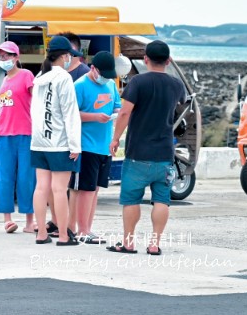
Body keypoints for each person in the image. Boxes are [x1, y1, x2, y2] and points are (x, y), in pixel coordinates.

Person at [109, 40, 187, 255]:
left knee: (131, 199)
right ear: (168, 61)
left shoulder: (137, 82)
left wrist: (115, 138)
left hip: (138, 154)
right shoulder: (176, 85)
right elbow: (181, 108)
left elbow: (124, 113)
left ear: (145, 59)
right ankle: (154, 244)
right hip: (164, 154)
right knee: (162, 199)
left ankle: (128, 242)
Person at [30, 35, 81, 246]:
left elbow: (35, 111)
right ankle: (63, 235)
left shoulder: (39, 76)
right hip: (59, 143)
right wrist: (75, 145)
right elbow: (70, 112)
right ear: (65, 56)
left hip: (38, 142)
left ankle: (41, 232)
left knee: (41, 188)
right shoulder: (64, 78)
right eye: (70, 55)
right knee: (60, 189)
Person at [68, 51, 121, 243]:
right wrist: (94, 117)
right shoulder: (80, 85)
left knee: (95, 189)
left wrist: (116, 115)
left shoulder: (111, 84)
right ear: (93, 69)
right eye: (103, 74)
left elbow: (117, 106)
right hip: (86, 145)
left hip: (104, 145)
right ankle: (82, 230)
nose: (105, 78)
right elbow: (71, 113)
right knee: (86, 189)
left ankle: (88, 228)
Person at [0, 40, 35, 234]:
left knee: (27, 177)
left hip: (25, 132)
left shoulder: (26, 75)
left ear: (16, 57)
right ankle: (7, 219)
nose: (3, 58)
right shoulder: (4, 79)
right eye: (1, 55)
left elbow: (38, 99)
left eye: (7, 55)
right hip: (3, 133)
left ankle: (30, 220)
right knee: (3, 177)